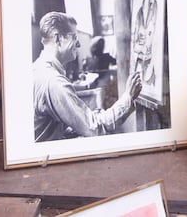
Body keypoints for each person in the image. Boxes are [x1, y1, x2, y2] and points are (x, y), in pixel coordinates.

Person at [33, 11, 142, 142]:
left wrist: (79, 123)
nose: (78, 44)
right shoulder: (53, 82)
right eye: (74, 37)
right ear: (58, 38)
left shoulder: (38, 68)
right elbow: (95, 129)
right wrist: (128, 98)